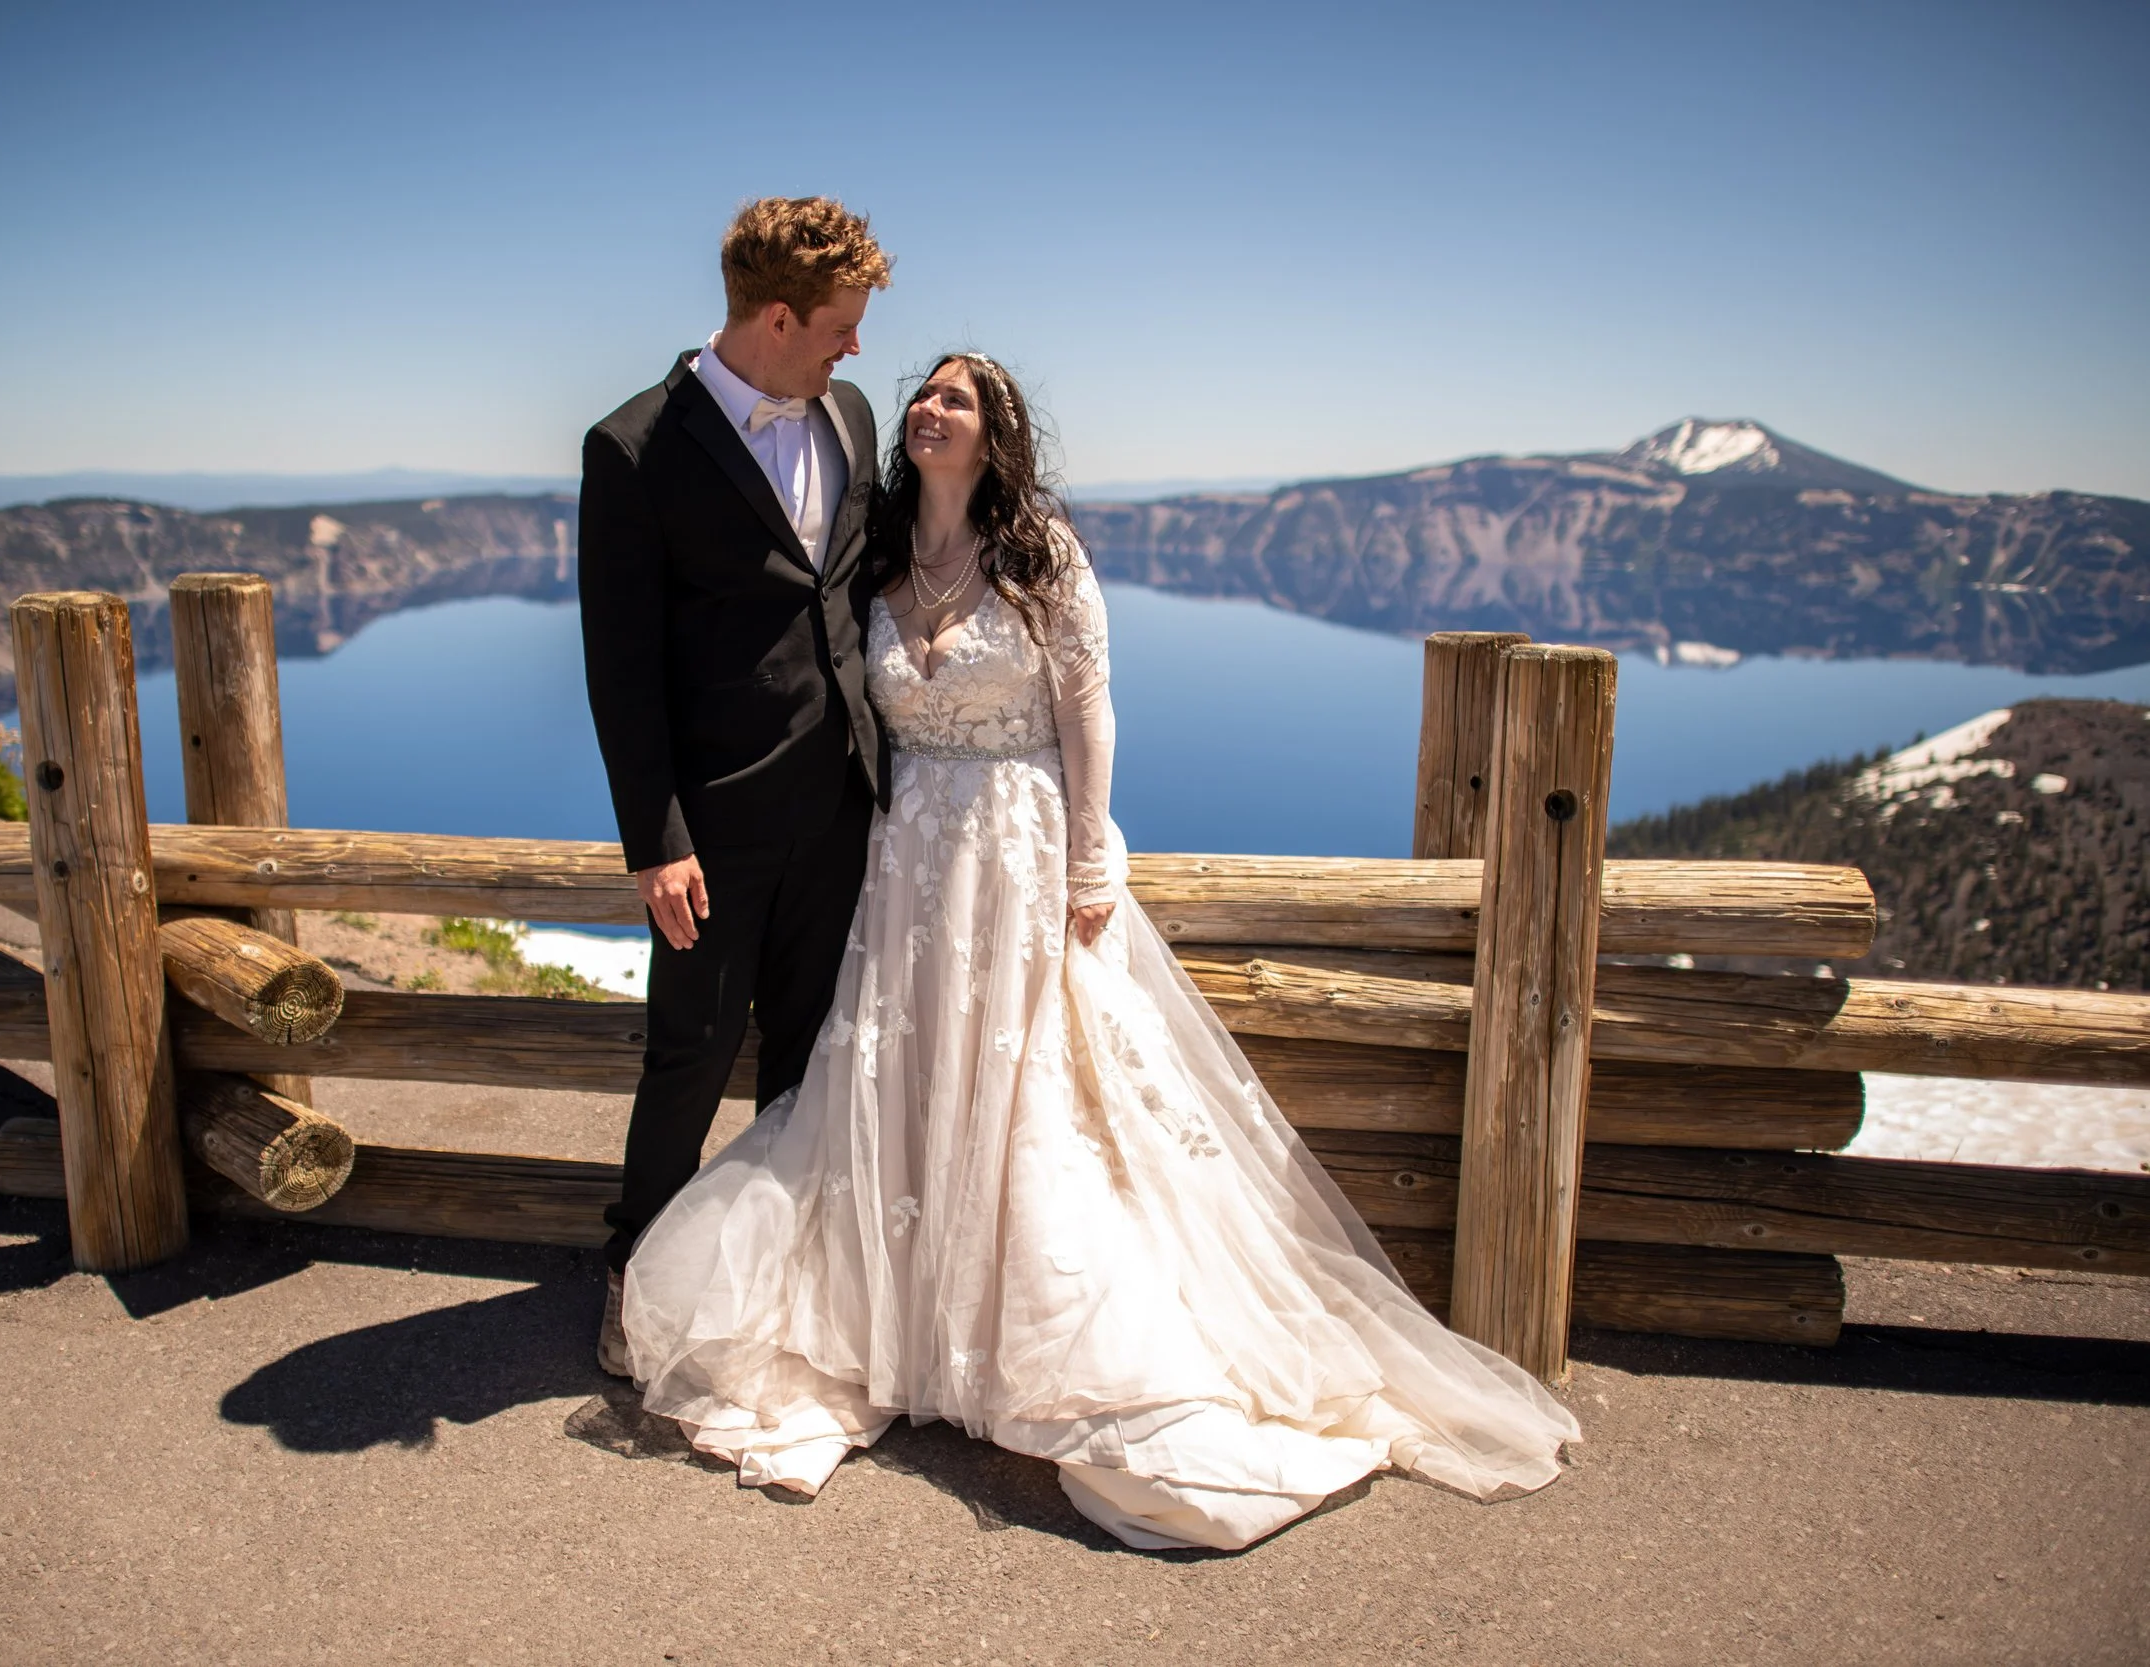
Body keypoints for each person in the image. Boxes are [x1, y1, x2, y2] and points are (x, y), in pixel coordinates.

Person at [619, 352, 1580, 1551]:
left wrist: (1089, 852)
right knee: (899, 1085)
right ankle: (905, 1325)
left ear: (996, 432)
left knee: (1037, 1096)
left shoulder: (1041, 555)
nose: (927, 409)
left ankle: (1036, 1341)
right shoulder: (875, 557)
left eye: (955, 399)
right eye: (922, 393)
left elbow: (1088, 704)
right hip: (908, 863)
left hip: (1016, 853)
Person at [578, 198, 893, 1376]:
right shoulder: (632, 445)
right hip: (712, 825)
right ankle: (633, 1273)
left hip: (847, 805)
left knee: (810, 1055)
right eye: (840, 326)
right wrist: (655, 838)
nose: (854, 349)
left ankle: (780, 1273)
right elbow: (621, 665)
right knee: (690, 1054)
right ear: (776, 314)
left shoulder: (851, 416)